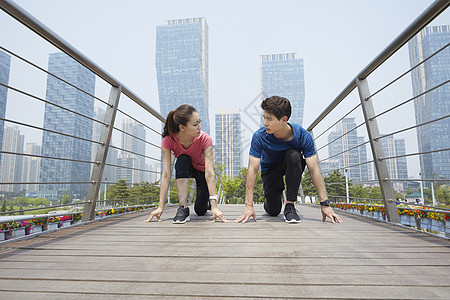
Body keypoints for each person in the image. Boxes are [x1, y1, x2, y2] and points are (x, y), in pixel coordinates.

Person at [235, 96, 343, 224]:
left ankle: (290, 205)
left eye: (269, 119)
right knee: (274, 210)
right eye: (264, 118)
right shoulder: (259, 136)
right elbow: (252, 169)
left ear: (283, 120)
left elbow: (314, 170)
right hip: (270, 170)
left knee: (294, 155)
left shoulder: (303, 136)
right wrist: (248, 205)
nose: (265, 123)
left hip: (291, 165)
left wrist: (325, 204)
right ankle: (271, 200)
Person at [145, 104, 229, 224]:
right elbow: (166, 175)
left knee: (200, 210)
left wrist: (215, 206)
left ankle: (208, 203)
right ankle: (183, 208)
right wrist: (160, 207)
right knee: (182, 159)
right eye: (195, 124)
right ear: (182, 127)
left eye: (199, 122)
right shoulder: (168, 140)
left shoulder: (205, 139)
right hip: (186, 167)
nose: (200, 127)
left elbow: (210, 172)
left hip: (202, 171)